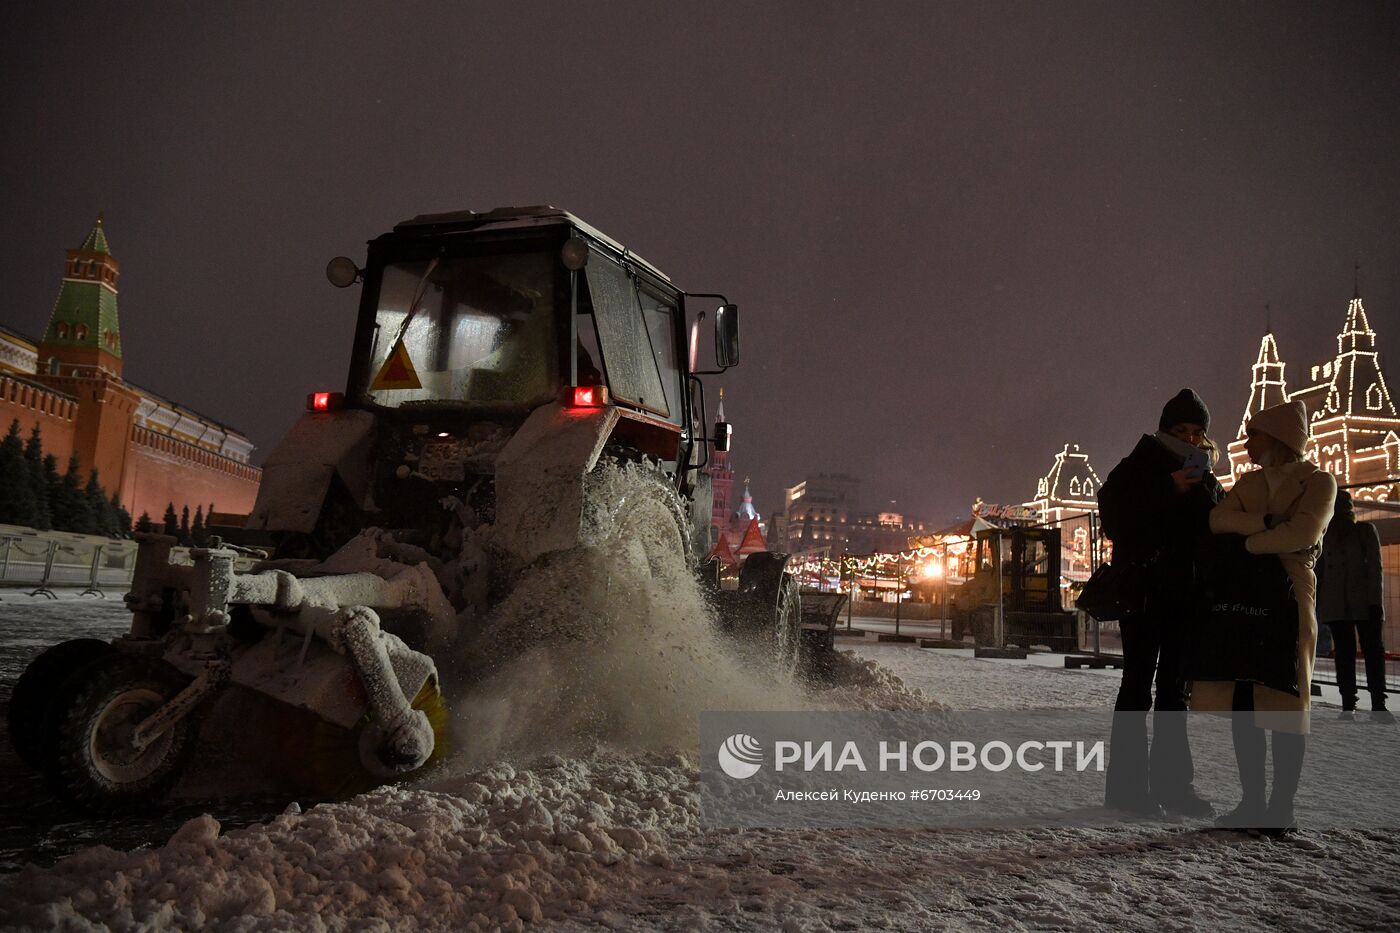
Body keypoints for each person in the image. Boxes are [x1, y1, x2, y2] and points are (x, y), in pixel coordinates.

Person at [1195, 400, 1337, 833]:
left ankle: (1281, 808)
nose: (1248, 443)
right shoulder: (1250, 483)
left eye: (1255, 435)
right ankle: (1254, 802)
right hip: (1248, 593)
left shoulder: (1318, 481)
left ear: (1278, 438)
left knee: (1287, 697)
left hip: (1291, 592)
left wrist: (1249, 541)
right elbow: (1217, 519)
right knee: (1247, 699)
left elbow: (1306, 532)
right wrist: (1271, 523)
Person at [1098, 388, 1223, 817]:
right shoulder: (1136, 467)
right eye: (1181, 429)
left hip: (1187, 596)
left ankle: (1175, 788)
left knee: (1175, 693)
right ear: (1164, 429)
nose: (1190, 438)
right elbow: (1115, 523)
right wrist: (1168, 490)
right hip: (1146, 592)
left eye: (1197, 431)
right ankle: (1128, 790)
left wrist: (1202, 492)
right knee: (1136, 687)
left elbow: (1214, 528)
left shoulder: (1206, 476)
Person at [1317, 490, 1390, 721]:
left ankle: (1353, 703)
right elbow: (1374, 569)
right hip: (1359, 603)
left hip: (1344, 604)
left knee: (1350, 655)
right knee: (1367, 653)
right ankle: (1371, 703)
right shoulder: (1362, 532)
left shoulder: (1327, 535)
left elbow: (1319, 573)